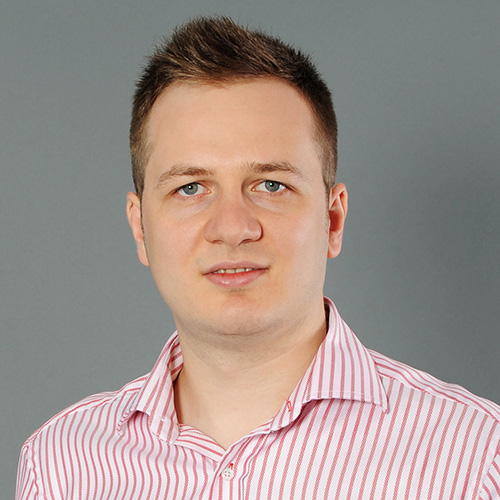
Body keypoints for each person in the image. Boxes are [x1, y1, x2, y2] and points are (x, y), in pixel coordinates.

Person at [16, 16, 500, 500]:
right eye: (191, 188)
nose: (233, 228)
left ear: (333, 219)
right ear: (139, 226)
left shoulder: (477, 457)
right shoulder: (59, 467)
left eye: (271, 185)